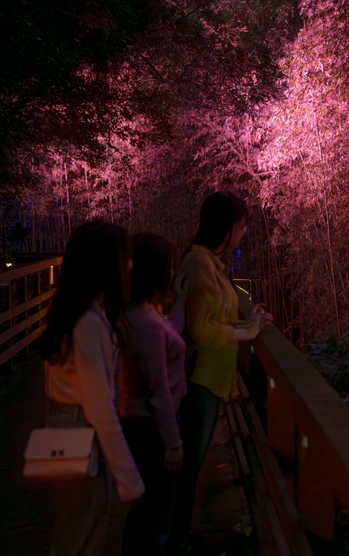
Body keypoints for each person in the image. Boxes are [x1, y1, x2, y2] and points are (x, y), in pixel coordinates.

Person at [167, 192, 271, 554]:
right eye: (241, 225)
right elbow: (200, 328)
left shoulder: (210, 261)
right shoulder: (199, 263)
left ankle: (181, 536)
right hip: (199, 378)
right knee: (189, 466)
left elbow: (217, 317)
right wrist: (247, 333)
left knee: (192, 466)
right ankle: (176, 541)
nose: (244, 231)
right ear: (227, 228)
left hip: (211, 377)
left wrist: (248, 321)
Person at [40, 221, 145, 555]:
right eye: (125, 258)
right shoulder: (89, 323)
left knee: (76, 530)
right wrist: (129, 477)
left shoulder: (77, 314)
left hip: (66, 430)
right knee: (82, 536)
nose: (131, 265)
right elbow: (100, 407)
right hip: (81, 436)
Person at [119, 233, 189, 555]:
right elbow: (159, 392)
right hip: (151, 430)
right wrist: (173, 445)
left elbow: (170, 333)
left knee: (148, 512)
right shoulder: (142, 323)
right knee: (156, 515)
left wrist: (180, 303)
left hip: (146, 425)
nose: (174, 273)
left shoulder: (142, 312)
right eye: (171, 266)